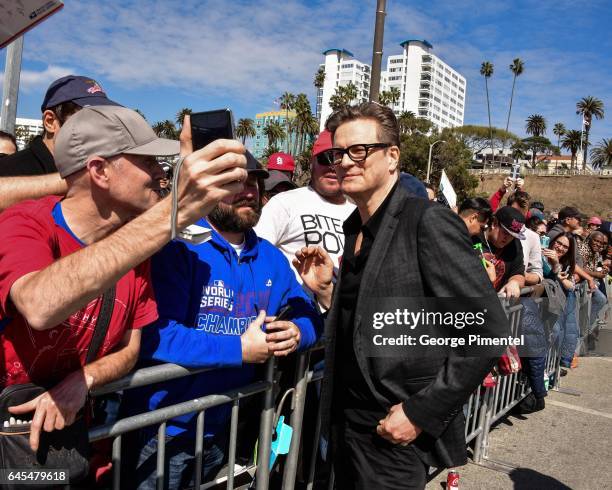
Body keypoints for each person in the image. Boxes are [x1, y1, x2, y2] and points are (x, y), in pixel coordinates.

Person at [0, 106, 248, 453]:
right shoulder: (25, 224)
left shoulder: (137, 249)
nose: (161, 174)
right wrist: (178, 206)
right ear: (99, 170)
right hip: (9, 442)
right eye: (147, 162)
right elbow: (41, 306)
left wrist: (86, 379)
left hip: (77, 445)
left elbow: (130, 349)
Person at [293, 102, 508, 489]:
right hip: (344, 423)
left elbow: (487, 332)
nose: (344, 162)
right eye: (336, 153)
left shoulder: (426, 221)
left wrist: (419, 412)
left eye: (358, 150)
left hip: (393, 432)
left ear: (392, 156)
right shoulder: (355, 228)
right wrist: (328, 289)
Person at [123, 151, 322, 489]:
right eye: (235, 183)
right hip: (165, 430)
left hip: (227, 425)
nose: (249, 191)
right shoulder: (178, 245)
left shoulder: (270, 257)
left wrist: (298, 331)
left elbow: (307, 310)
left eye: (255, 183)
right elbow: (156, 334)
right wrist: (239, 349)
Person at [0, 75, 120, 211]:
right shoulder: (8, 170)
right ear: (50, 122)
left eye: (104, 119)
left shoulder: (98, 169)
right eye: (88, 119)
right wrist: (80, 181)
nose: (99, 129)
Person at [255, 130, 355, 281]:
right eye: (325, 158)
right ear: (312, 163)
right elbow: (253, 256)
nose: (333, 167)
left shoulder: (359, 214)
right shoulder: (284, 203)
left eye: (339, 159)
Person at [473, 206, 527, 297]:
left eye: (512, 235)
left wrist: (515, 282)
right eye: (505, 233)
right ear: (494, 223)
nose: (508, 239)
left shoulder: (515, 245)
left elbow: (518, 273)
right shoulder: (474, 236)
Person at [543, 232, 579, 368]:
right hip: (541, 304)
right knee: (555, 330)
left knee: (559, 330)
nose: (560, 248)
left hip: (556, 304)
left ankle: (552, 366)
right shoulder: (540, 256)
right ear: (552, 241)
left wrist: (558, 269)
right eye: (559, 243)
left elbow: (571, 285)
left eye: (565, 247)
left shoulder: (566, 263)